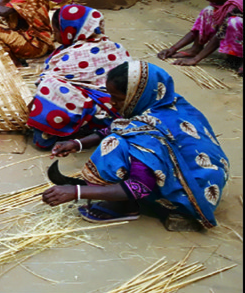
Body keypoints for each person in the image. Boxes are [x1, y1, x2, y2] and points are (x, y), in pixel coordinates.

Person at [42, 60, 229, 231]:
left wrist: (76, 192)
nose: (112, 103)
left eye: (118, 98)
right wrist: (77, 143)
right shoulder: (164, 102)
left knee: (115, 145)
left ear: (137, 95)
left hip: (192, 191)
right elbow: (122, 126)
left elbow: (140, 185)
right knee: (122, 136)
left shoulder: (149, 135)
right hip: (206, 175)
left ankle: (129, 206)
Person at [28, 4, 132, 149]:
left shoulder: (74, 54)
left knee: (49, 86)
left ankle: (52, 136)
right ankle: (92, 133)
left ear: (69, 31)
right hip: (120, 112)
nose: (54, 36)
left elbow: (46, 81)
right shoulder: (117, 48)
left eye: (57, 31)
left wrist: (31, 108)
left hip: (101, 112)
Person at [157, 0, 242, 76]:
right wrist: (172, 49)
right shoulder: (225, 0)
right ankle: (196, 48)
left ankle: (238, 58)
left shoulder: (236, 6)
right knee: (209, 11)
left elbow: (219, 35)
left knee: (234, 22)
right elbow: (194, 31)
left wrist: (195, 60)